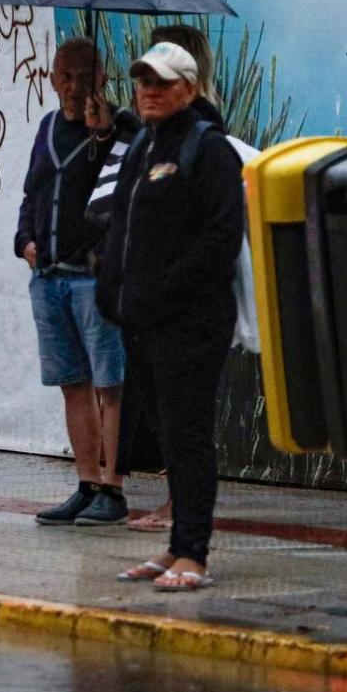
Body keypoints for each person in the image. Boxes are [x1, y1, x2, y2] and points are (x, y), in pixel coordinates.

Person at [99, 42, 246, 592]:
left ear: (188, 88)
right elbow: (122, 227)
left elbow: (220, 238)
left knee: (188, 435)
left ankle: (195, 553)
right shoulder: (142, 145)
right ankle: (175, 544)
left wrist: (163, 290)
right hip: (143, 322)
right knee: (163, 436)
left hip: (191, 322)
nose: (149, 92)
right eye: (142, 83)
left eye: (161, 83)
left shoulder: (208, 150)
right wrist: (111, 290)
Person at [17, 37, 135, 526]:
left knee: (111, 383)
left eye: (84, 77)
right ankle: (86, 482)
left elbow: (119, 183)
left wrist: (103, 135)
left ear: (102, 80)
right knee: (73, 383)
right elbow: (32, 193)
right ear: (50, 77)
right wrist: (23, 240)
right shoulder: (46, 128)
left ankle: (114, 486)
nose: (72, 86)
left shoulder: (120, 126)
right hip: (47, 278)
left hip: (92, 279)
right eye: (64, 76)